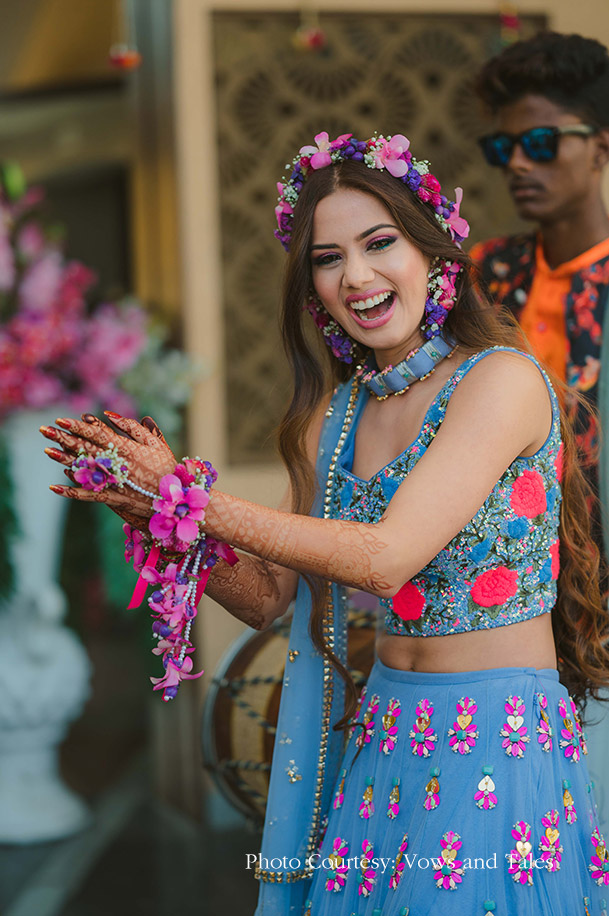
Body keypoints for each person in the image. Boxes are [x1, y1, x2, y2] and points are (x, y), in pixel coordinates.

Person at [40, 130, 609, 916]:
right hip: (381, 734)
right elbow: (269, 596)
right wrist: (163, 518)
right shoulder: (335, 419)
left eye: (380, 244)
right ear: (311, 286)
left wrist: (188, 495)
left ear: (435, 253)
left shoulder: (498, 382)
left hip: (494, 741)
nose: (357, 275)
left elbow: (385, 559)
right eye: (327, 257)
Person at [470, 32, 609, 539]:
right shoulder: (487, 272)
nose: (518, 163)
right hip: (504, 573)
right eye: (503, 147)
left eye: (541, 142)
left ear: (600, 146)